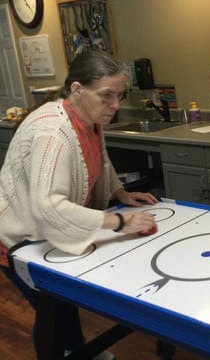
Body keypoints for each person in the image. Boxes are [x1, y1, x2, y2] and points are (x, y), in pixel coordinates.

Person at [0, 48, 159, 359]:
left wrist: (120, 193)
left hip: (48, 233)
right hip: (16, 238)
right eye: (106, 96)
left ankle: (78, 350)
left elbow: (101, 160)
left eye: (119, 95)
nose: (115, 105)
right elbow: (49, 206)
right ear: (77, 89)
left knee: (62, 304)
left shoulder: (89, 117)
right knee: (52, 309)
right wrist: (122, 222)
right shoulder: (52, 131)